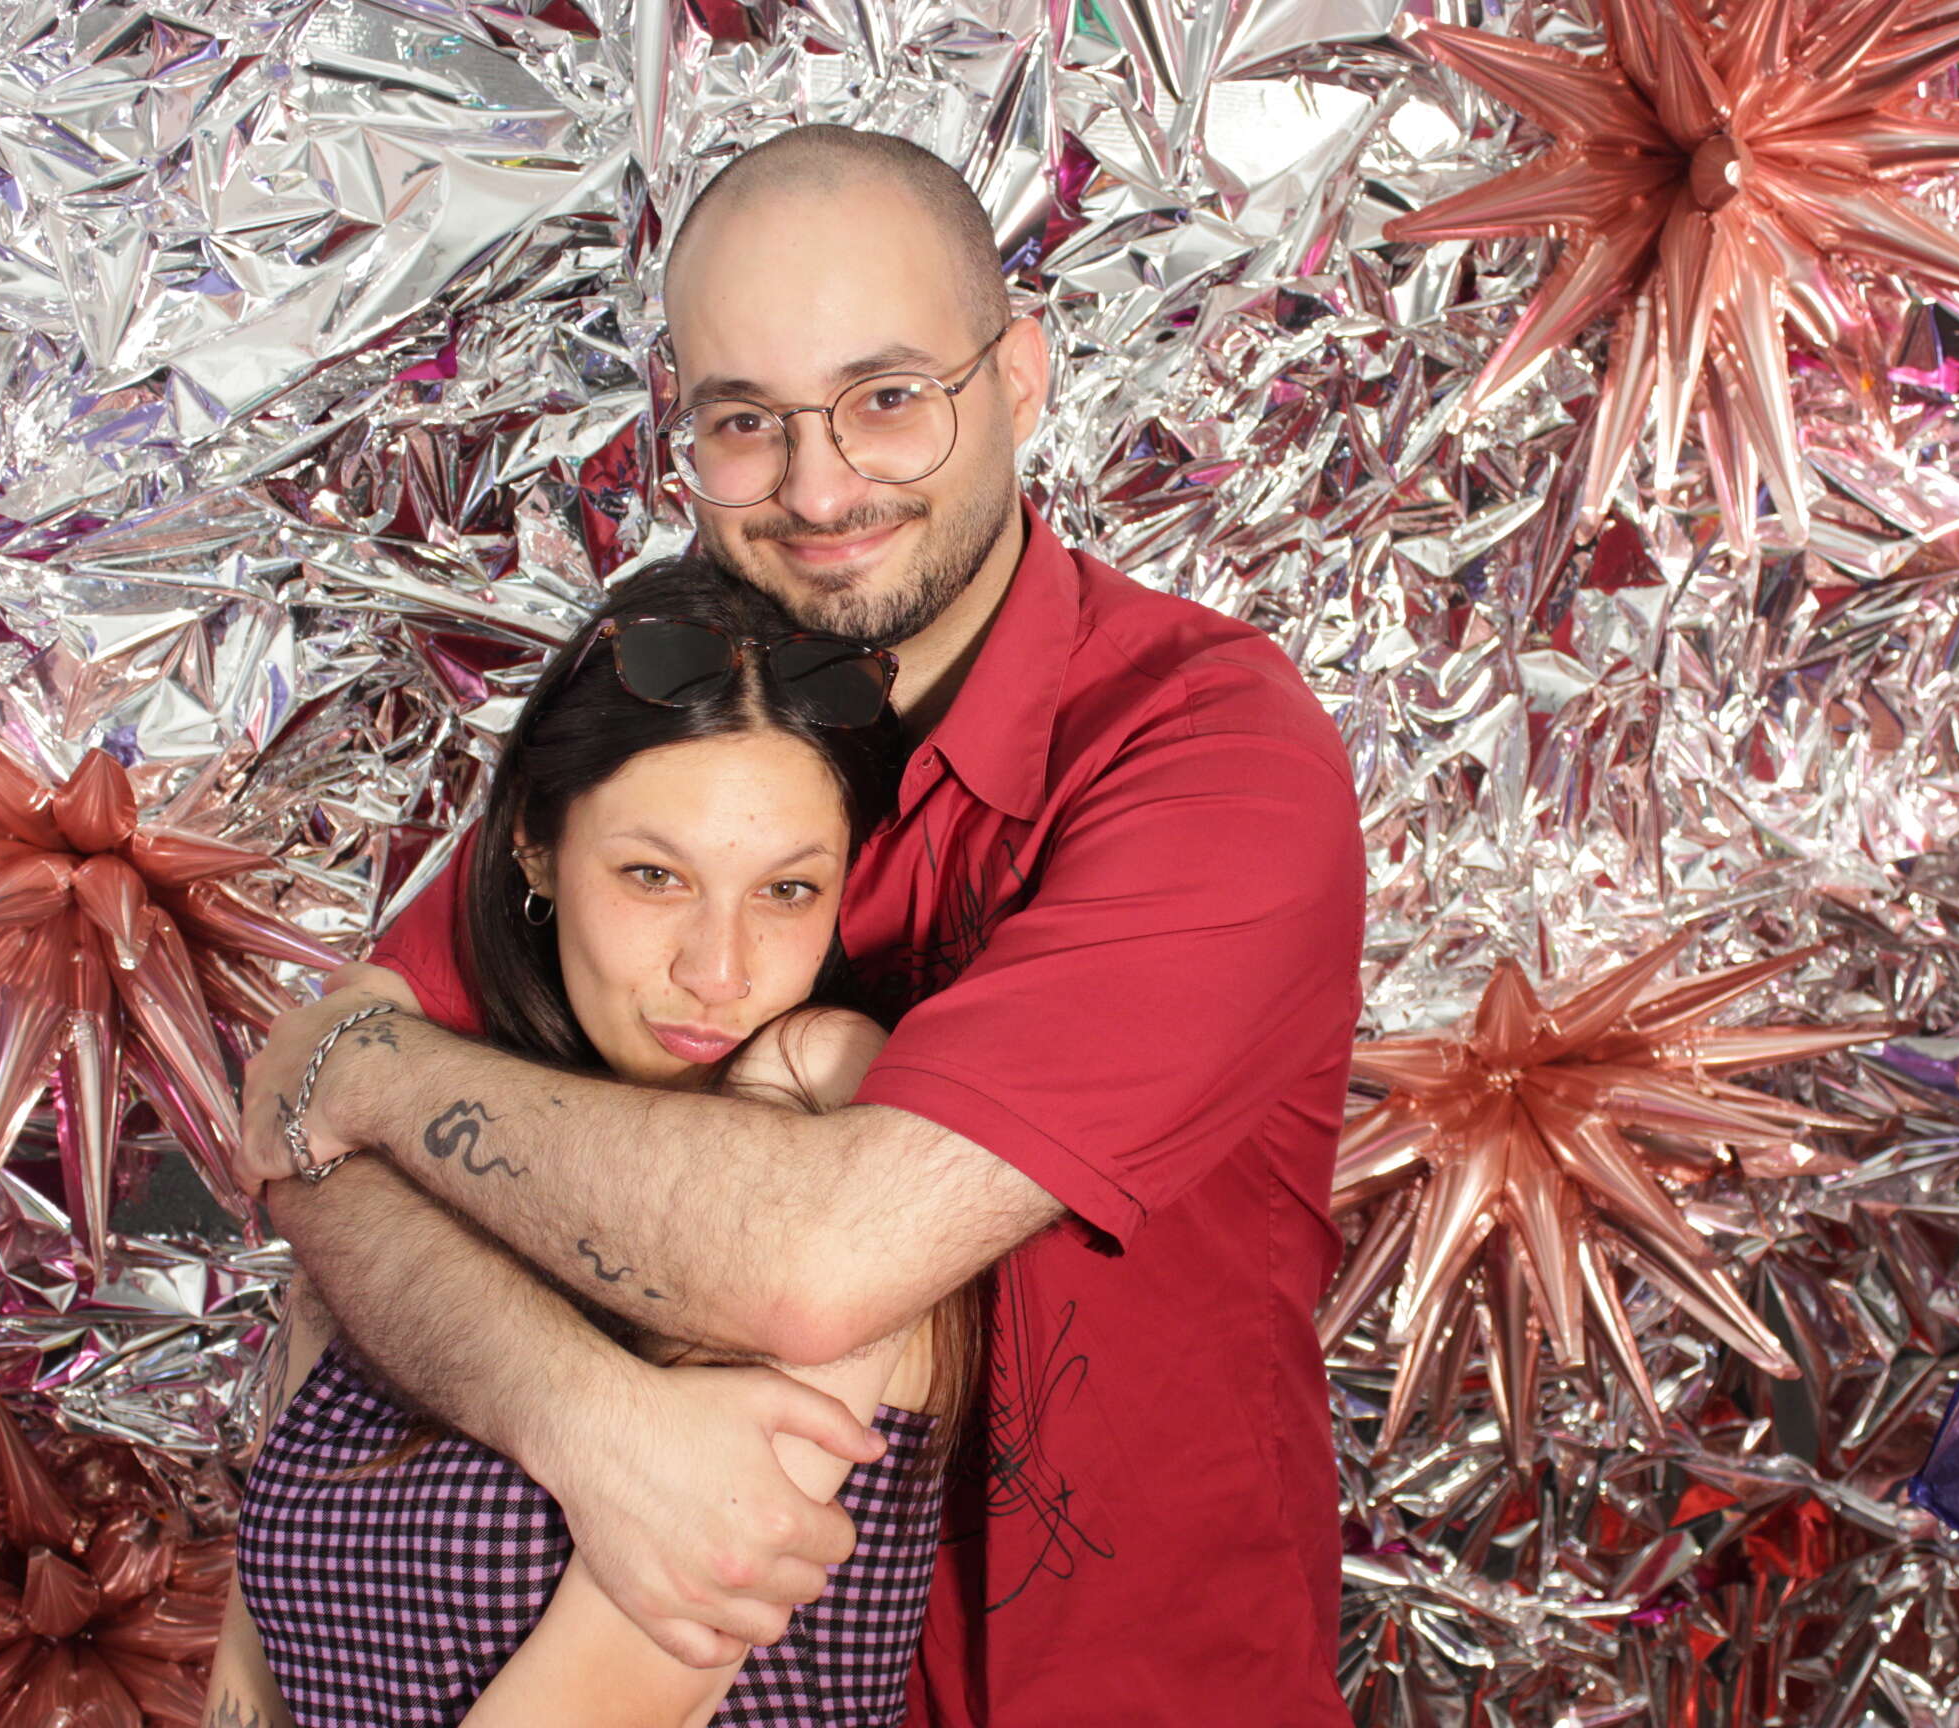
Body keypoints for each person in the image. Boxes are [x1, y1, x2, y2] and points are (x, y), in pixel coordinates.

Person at [238, 123, 1366, 1725]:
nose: (819, 488)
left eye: (887, 397)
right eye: (746, 421)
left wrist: (378, 1083)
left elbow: (810, 1267)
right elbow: (292, 1117)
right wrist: (583, 1419)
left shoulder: (1214, 753)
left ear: (1020, 374)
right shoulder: (681, 701)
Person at [204, 557, 971, 1727]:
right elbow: (252, 1662)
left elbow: (611, 1696)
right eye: (654, 876)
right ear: (534, 849)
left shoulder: (827, 1098)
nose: (718, 971)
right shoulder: (406, 1166)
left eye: (787, 891)